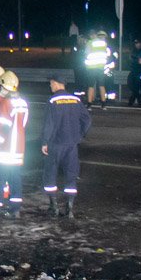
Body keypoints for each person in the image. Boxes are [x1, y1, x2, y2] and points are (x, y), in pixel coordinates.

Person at [40, 74, 91, 219]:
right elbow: (87, 119)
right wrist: (80, 134)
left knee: (50, 174)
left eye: (51, 84)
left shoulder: (52, 100)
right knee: (71, 175)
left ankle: (53, 206)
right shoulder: (76, 99)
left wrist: (44, 142)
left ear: (56, 84)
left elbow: (49, 125)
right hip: (72, 144)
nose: (50, 86)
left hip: (55, 144)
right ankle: (69, 208)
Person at [0, 70, 29, 219]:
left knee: (0, 180)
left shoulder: (5, 103)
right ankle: (15, 210)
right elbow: (23, 124)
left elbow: (3, 129)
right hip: (18, 149)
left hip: (5, 150)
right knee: (15, 180)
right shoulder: (23, 103)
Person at [83, 30, 111, 109]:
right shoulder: (103, 43)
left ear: (91, 35)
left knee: (91, 86)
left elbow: (86, 54)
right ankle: (103, 104)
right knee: (102, 86)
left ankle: (89, 104)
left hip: (91, 68)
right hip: (101, 67)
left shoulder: (90, 43)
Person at [126, 38, 141, 107]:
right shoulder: (133, 51)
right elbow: (130, 61)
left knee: (136, 87)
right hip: (133, 71)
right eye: (136, 43)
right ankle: (138, 100)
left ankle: (133, 101)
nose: (137, 44)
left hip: (139, 71)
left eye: (138, 43)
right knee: (132, 86)